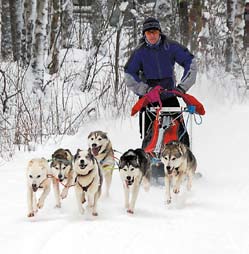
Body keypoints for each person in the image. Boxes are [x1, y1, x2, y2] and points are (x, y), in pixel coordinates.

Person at [124, 17, 197, 148]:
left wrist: (182, 88)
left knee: (181, 133)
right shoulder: (139, 52)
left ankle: (185, 159)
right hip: (149, 98)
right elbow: (129, 74)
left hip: (169, 95)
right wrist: (145, 90)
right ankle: (148, 162)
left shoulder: (171, 47)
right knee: (149, 136)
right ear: (144, 34)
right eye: (148, 32)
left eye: (154, 32)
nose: (152, 35)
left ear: (159, 32)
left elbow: (190, 62)